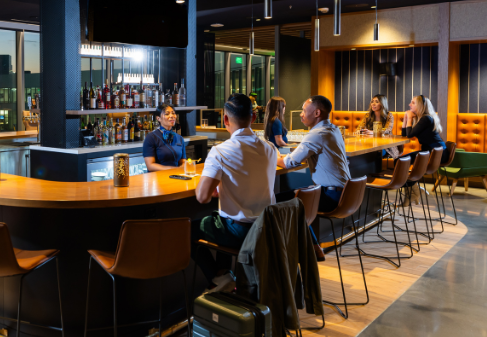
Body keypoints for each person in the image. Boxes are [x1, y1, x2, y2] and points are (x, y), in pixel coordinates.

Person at [194, 94, 278, 291]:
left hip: (240, 233)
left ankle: (219, 277)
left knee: (191, 230)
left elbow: (202, 197)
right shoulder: (270, 148)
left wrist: (215, 185)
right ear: (253, 118)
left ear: (225, 119)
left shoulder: (220, 151)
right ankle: (225, 274)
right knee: (220, 218)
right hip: (267, 230)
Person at [283, 96, 351, 259]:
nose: (301, 114)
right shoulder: (333, 129)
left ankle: (294, 253)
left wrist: (271, 156)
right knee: (295, 197)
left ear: (317, 113)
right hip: (345, 194)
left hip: (332, 196)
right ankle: (313, 246)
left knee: (282, 200)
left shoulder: (316, 134)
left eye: (304, 111)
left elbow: (289, 162)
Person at [402, 94, 447, 160]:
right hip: (430, 151)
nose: (409, 104)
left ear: (421, 106)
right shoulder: (420, 118)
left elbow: (409, 135)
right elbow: (404, 135)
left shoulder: (426, 118)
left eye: (413, 103)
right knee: (400, 160)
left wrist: (409, 118)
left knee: (399, 161)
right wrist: (405, 119)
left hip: (438, 153)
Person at [143, 104, 186, 172]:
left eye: (173, 113)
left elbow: (183, 162)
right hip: (158, 179)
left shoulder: (180, 138)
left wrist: (183, 167)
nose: (172, 116)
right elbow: (150, 166)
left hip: (177, 177)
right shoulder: (151, 137)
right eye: (167, 114)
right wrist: (174, 170)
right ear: (158, 118)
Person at [358, 94, 399, 159]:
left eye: (377, 102)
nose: (373, 104)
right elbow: (359, 128)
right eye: (372, 101)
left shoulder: (389, 116)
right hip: (369, 144)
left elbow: (387, 130)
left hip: (385, 146)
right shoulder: (367, 115)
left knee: (373, 153)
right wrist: (362, 131)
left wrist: (373, 132)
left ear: (382, 104)